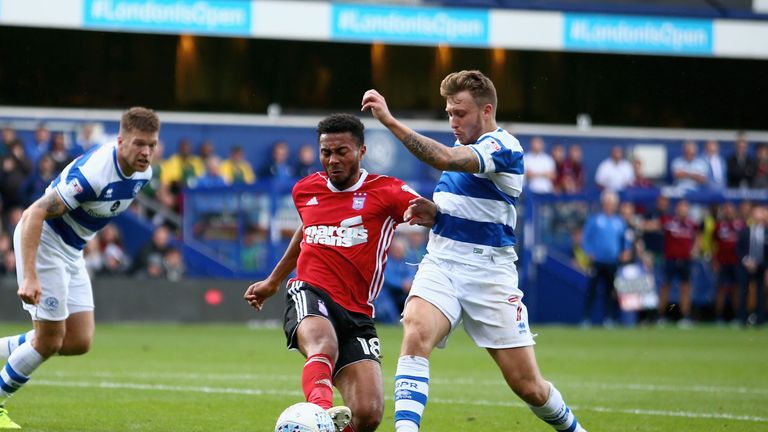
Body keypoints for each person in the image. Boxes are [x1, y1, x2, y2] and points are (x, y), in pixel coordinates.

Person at [362, 70, 586, 432]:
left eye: (460, 113)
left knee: (529, 387)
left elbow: (447, 159)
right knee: (416, 331)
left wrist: (389, 122)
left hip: (489, 275)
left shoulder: (504, 146)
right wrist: (436, 214)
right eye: (449, 112)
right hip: (442, 262)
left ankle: (574, 429)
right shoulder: (460, 150)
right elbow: (468, 206)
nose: (453, 120)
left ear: (485, 110)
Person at [244, 113, 428, 432]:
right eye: (325, 152)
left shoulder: (387, 192)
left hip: (357, 311)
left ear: (361, 152)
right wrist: (274, 282)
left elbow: (430, 211)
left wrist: (427, 213)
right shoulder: (305, 189)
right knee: (323, 344)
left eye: (341, 151)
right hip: (310, 291)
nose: (332, 160)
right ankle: (319, 413)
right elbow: (306, 232)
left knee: (368, 414)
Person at [0, 107, 160, 429]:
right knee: (48, 341)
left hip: (72, 250)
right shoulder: (94, 173)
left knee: (77, 341)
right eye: (139, 143)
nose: (145, 152)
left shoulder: (145, 175)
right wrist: (30, 274)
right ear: (121, 140)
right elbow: (33, 214)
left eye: (152, 145)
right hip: (44, 240)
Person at [580, 191, 629, 328]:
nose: (609, 205)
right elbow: (585, 238)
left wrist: (625, 251)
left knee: (610, 291)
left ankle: (608, 319)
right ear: (603, 204)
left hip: (612, 262)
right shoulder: (595, 219)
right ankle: (586, 318)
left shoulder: (619, 222)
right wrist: (588, 252)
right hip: (597, 261)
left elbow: (625, 240)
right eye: (607, 203)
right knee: (592, 290)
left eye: (612, 203)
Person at [657, 199, 700, 328]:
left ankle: (685, 316)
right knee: (665, 287)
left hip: (685, 259)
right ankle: (660, 316)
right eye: (681, 207)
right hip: (670, 259)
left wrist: (695, 248)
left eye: (685, 208)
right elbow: (655, 225)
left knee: (685, 288)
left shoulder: (691, 224)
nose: (683, 210)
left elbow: (698, 237)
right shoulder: (669, 221)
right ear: (677, 209)